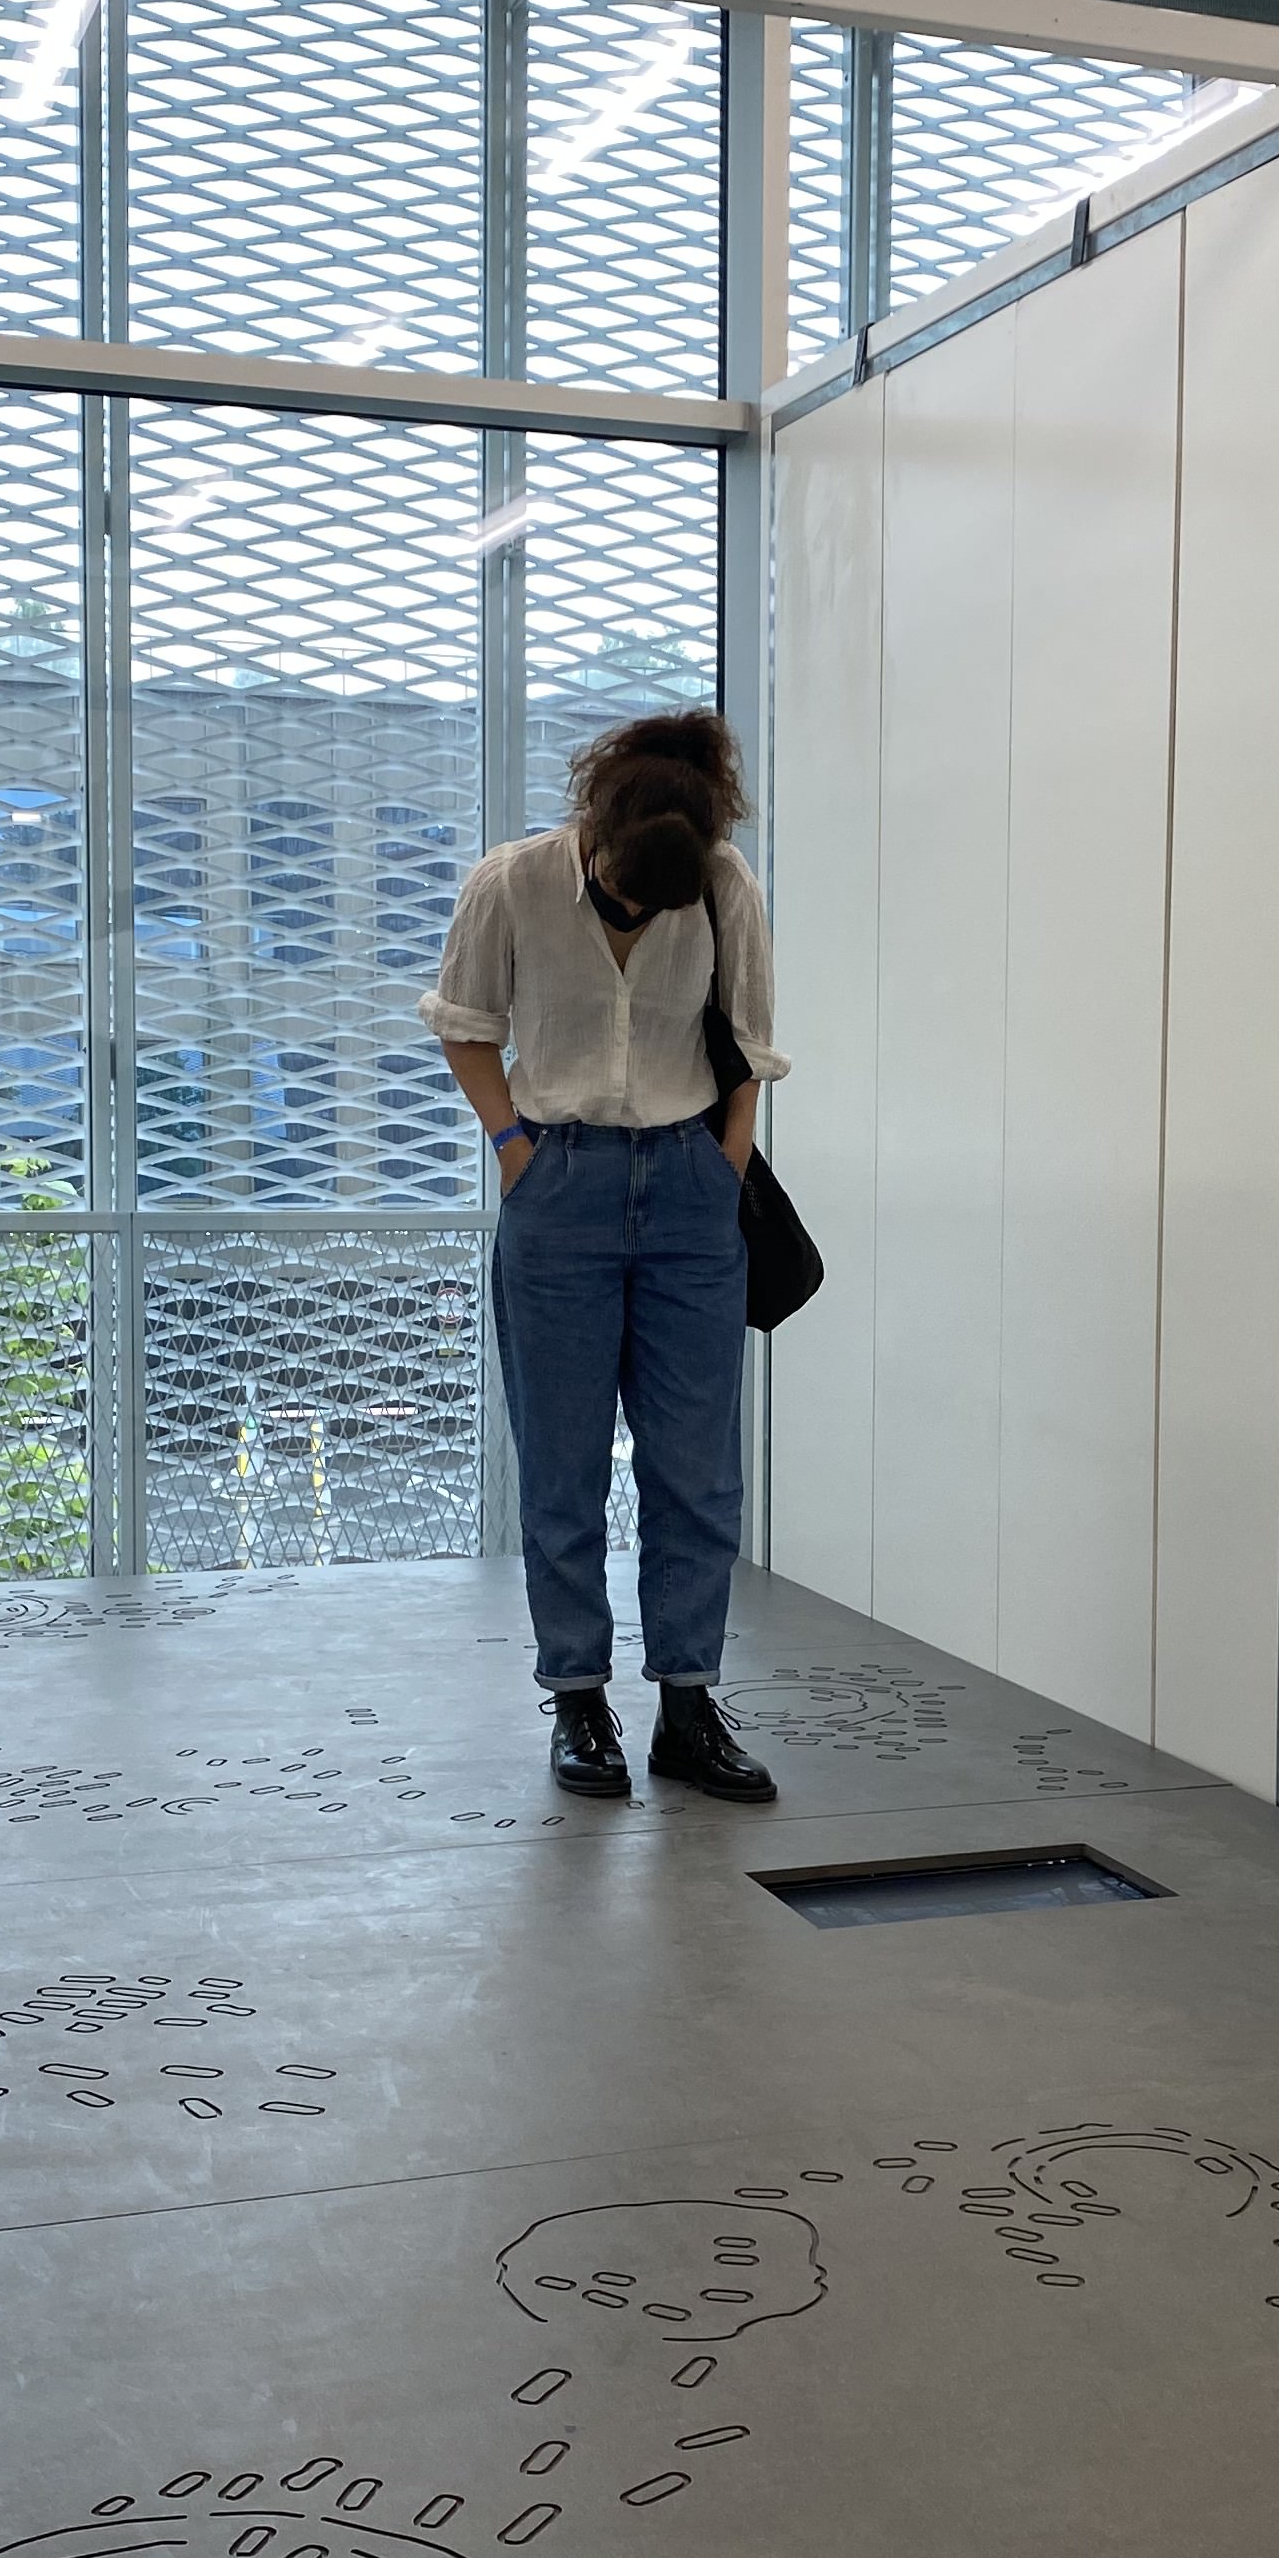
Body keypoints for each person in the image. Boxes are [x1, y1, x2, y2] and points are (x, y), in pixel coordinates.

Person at [421, 710, 785, 1803]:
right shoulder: (513, 882)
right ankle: (579, 1699)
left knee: (696, 1469)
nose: (635, 913)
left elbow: (749, 1045)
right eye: (623, 893)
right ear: (597, 832)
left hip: (688, 1188)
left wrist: (723, 1165)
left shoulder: (725, 885)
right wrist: (514, 1152)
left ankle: (687, 1706)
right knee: (564, 1463)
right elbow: (465, 1022)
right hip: (560, 1183)